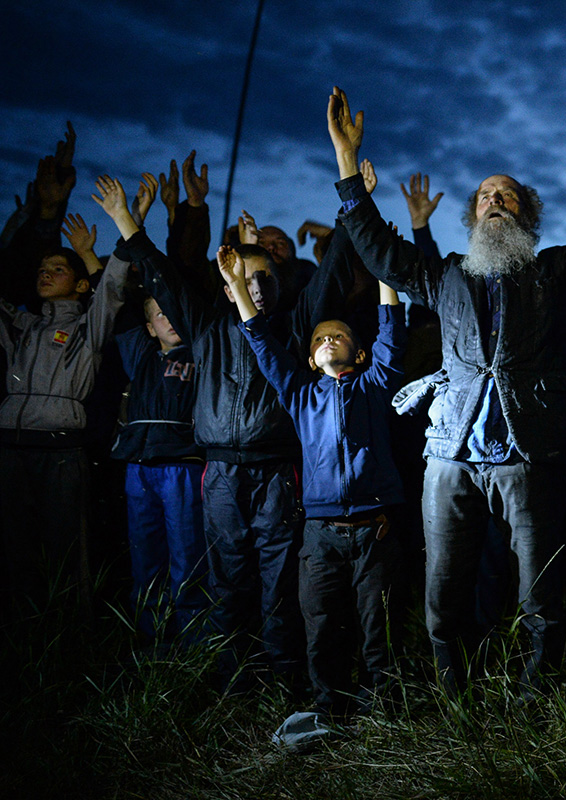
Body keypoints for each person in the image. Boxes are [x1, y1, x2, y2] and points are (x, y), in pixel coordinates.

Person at [326, 59, 566, 699]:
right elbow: (378, 250)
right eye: (483, 196)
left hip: (528, 453)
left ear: (527, 215)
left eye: (507, 195)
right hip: (451, 453)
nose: (493, 200)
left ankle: (537, 689)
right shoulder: (446, 274)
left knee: (539, 586)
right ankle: (453, 690)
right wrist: (346, 167)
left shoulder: (556, 271)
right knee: (443, 584)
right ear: (472, 219)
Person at [126, 187, 358, 693]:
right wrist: (128, 222)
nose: (255, 286)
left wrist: (349, 206)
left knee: (278, 580)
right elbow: (164, 279)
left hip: (276, 472)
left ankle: (283, 679)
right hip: (222, 473)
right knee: (227, 578)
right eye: (243, 278)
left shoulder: (296, 326)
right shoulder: (206, 325)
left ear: (280, 283)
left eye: (265, 277)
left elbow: (332, 269)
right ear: (226, 285)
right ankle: (231, 680)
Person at [218, 243, 405, 721]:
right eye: (319, 338)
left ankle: (385, 708)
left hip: (373, 528)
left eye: (339, 336)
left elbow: (391, 332)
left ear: (359, 353)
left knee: (376, 624)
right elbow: (261, 341)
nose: (327, 341)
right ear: (308, 358)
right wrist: (238, 286)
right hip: (320, 533)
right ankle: (330, 708)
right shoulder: (300, 394)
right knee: (320, 625)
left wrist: (385, 270)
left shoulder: (373, 383)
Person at [0, 173, 131, 612]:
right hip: (10, 449)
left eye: (58, 269)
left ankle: (69, 638)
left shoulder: (84, 329)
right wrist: (31, 213)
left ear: (78, 284)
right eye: (42, 269)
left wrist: (124, 222)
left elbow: (112, 289)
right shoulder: (21, 325)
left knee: (64, 551)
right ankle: (21, 642)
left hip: (60, 452)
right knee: (15, 550)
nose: (45, 274)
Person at [111, 295, 208, 642]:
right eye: (160, 315)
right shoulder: (140, 355)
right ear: (150, 328)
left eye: (174, 312)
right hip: (139, 466)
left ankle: (194, 646)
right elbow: (119, 312)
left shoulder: (200, 353)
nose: (169, 319)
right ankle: (151, 645)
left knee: (187, 557)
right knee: (145, 558)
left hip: (182, 467)